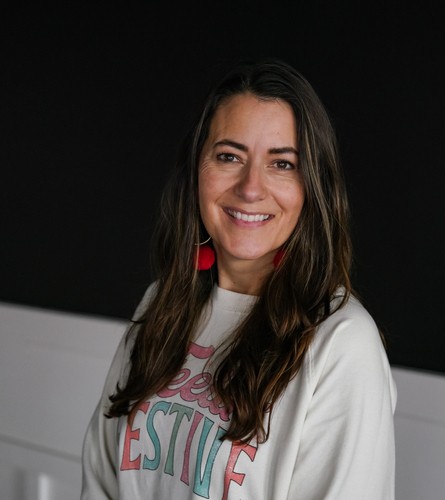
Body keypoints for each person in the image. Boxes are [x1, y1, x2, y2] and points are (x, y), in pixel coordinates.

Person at [81, 60, 396, 500]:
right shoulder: (161, 305)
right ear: (197, 169)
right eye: (229, 156)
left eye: (282, 164)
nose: (251, 188)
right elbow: (102, 481)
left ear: (312, 187)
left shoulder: (341, 343)